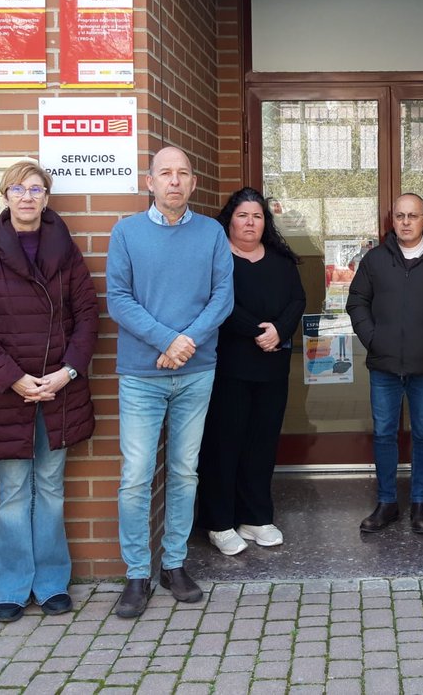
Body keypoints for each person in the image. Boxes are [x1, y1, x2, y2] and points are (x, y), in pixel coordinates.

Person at [0, 161, 99, 622]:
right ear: (4, 196)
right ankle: (12, 587)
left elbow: (88, 318)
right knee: (14, 491)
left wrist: (67, 373)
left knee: (52, 488)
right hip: (5, 393)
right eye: (18, 189)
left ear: (46, 197)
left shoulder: (67, 251)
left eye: (36, 189)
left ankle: (53, 583)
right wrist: (14, 378)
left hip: (58, 390)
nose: (27, 197)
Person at [106, 147, 234, 618]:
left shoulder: (212, 233)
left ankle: (173, 564)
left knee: (184, 472)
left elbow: (223, 296)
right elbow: (118, 299)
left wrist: (187, 343)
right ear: (150, 182)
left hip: (196, 372)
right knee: (136, 477)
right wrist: (167, 339)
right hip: (141, 375)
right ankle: (137, 573)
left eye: (183, 173)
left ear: (193, 183)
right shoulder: (126, 232)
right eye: (165, 173)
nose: (174, 181)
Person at [346, 193, 423, 534]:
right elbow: (357, 301)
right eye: (400, 216)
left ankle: (419, 504)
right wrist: (373, 337)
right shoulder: (376, 260)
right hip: (384, 364)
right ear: (392, 220)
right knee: (384, 434)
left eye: (413, 216)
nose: (406, 222)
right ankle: (386, 504)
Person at [198, 187, 306, 555]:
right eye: (243, 215)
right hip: (230, 368)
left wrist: (280, 329)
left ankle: (256, 517)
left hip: (273, 367)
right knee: (225, 446)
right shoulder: (216, 258)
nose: (250, 222)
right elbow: (219, 304)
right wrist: (260, 331)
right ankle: (220, 522)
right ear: (230, 219)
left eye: (257, 217)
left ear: (265, 222)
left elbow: (297, 299)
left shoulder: (279, 258)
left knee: (262, 445)